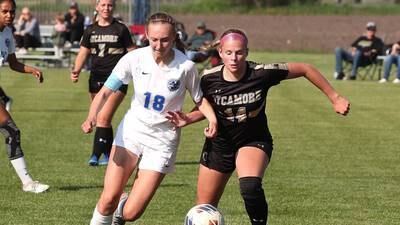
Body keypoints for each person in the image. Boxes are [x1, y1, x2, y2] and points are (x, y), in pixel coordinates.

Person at [166, 28, 350, 225]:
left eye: (239, 52)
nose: (234, 58)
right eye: (228, 52)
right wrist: (188, 118)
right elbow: (206, 107)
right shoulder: (209, 78)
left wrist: (335, 97)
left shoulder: (261, 73)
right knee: (203, 210)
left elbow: (305, 68)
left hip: (253, 140)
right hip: (220, 144)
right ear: (220, 53)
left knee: (250, 186)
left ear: (246, 52)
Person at [85, 12, 217, 225]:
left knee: (131, 213)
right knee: (108, 198)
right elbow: (106, 91)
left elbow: (200, 100)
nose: (159, 44)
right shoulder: (134, 58)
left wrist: (212, 120)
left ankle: (122, 208)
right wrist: (92, 115)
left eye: (165, 39)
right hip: (132, 132)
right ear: (146, 35)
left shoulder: (186, 67)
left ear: (174, 38)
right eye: (154, 39)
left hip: (163, 141)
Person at [71, 0, 135, 167]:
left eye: (110, 5)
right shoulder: (90, 30)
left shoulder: (121, 29)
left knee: (103, 117)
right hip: (95, 78)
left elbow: (132, 53)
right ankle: (107, 153)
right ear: (97, 7)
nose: (106, 8)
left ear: (113, 7)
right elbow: (83, 52)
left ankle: (95, 155)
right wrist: (76, 70)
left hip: (117, 79)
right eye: (103, 5)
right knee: (104, 119)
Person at [0, 0, 49, 193]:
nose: (9, 15)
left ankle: (28, 183)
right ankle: (28, 183)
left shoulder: (7, 34)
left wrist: (31, 70)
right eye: (4, 11)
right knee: (11, 131)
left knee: (11, 132)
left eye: (12, 12)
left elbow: (13, 63)